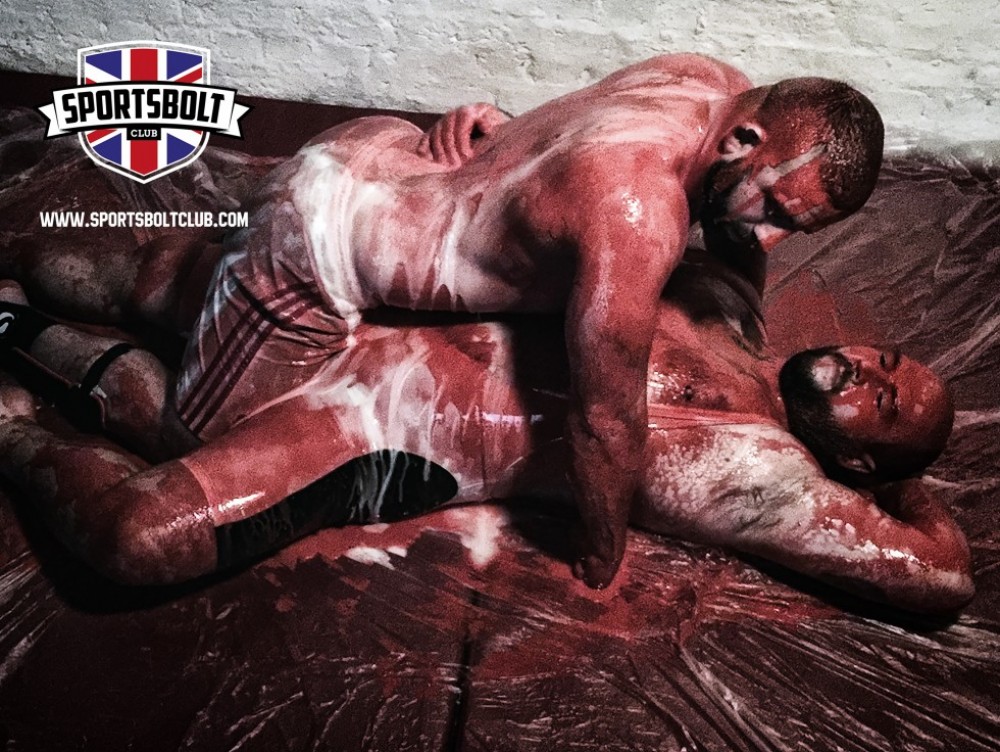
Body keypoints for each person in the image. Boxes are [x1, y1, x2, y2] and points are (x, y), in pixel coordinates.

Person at [0, 53, 885, 588]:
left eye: (794, 229)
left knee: (173, 288)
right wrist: (601, 550)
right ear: (742, 142)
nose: (767, 240)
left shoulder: (708, 80)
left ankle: (34, 260)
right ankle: (21, 370)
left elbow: (565, 147)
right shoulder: (638, 216)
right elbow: (605, 420)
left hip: (381, 151)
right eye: (776, 210)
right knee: (199, 439)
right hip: (313, 244)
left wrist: (492, 126)